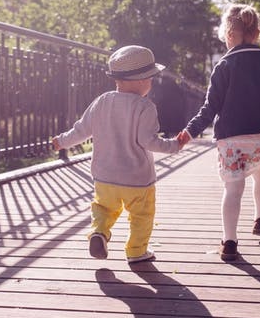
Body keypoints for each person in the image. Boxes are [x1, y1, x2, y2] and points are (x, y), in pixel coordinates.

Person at [177, 4, 260, 261]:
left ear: (229, 34)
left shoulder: (224, 65)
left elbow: (210, 107)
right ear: (257, 32)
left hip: (232, 138)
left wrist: (190, 131)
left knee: (233, 188)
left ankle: (229, 242)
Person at [52, 45, 182, 263]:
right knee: (141, 216)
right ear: (141, 80)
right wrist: (174, 145)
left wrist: (61, 142)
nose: (151, 82)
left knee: (103, 208)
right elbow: (148, 141)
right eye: (150, 78)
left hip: (104, 176)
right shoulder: (145, 107)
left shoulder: (101, 102)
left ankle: (99, 233)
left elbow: (81, 130)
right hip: (137, 180)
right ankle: (136, 251)